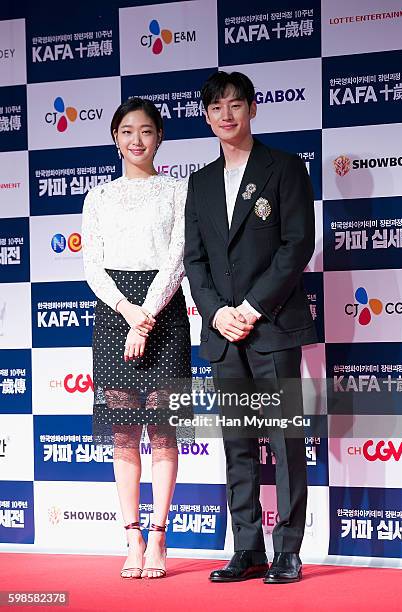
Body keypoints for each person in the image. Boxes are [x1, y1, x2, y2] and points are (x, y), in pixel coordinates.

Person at [184, 71, 317, 584]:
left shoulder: (284, 168)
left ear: (253, 109)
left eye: (235, 105)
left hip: (274, 327)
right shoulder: (197, 182)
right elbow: (195, 260)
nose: (226, 115)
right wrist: (217, 312)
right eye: (216, 107)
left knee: (284, 440)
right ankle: (247, 549)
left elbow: (296, 246)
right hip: (223, 334)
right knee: (237, 444)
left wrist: (253, 307)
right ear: (206, 116)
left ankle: (288, 551)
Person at [82, 97, 191, 579]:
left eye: (145, 131)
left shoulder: (177, 191)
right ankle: (132, 537)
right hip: (112, 314)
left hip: (163, 312)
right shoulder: (98, 197)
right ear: (115, 139)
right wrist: (127, 312)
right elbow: (92, 266)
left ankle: (160, 540)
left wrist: (145, 314)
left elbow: (178, 257)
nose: (136, 140)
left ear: (159, 137)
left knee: (164, 433)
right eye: (127, 131)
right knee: (124, 436)